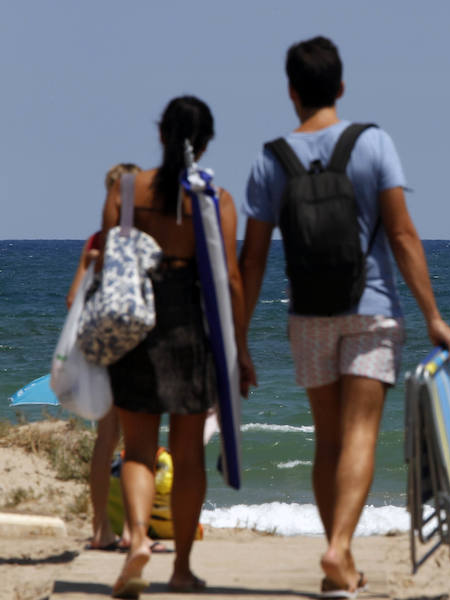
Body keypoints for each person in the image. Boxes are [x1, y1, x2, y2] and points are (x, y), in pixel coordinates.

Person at [238, 36, 450, 597]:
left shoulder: (270, 159)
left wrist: (239, 340)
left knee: (328, 439)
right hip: (372, 308)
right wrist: (433, 316)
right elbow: (403, 234)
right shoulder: (373, 143)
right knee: (361, 432)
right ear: (341, 86)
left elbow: (253, 259)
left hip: (308, 314)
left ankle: (340, 560)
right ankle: (339, 549)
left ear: (291, 92)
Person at [101, 96, 246, 598]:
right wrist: (240, 350)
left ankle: (138, 539)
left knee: (138, 449)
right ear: (204, 144)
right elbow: (230, 279)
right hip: (191, 329)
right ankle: (181, 569)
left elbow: (111, 265)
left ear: (161, 133)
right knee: (187, 457)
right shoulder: (215, 199)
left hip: (135, 325)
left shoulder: (126, 190)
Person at [69, 164, 141, 553]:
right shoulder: (143, 239)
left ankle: (101, 529)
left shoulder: (96, 241)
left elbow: (72, 300)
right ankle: (134, 530)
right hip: (137, 345)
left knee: (106, 439)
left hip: (102, 347)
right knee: (138, 441)